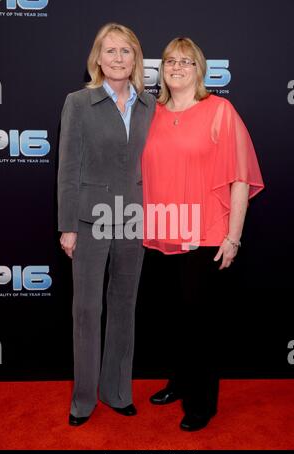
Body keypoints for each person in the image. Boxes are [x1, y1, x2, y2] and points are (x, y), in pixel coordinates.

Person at [141, 37, 264, 431]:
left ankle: (202, 401)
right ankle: (179, 381)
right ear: (162, 70)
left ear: (200, 69)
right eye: (170, 61)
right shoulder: (150, 112)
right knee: (173, 317)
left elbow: (240, 179)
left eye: (186, 61)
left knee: (200, 323)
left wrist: (233, 236)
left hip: (207, 233)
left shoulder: (219, 111)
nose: (177, 67)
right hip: (161, 230)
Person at [58, 23, 155, 426]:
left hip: (134, 218)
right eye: (110, 51)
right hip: (90, 218)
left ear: (136, 59)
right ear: (97, 58)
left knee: (124, 307)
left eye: (126, 51)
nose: (118, 58)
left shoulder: (152, 105)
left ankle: (116, 391)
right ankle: (84, 400)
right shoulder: (79, 103)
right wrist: (68, 226)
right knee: (86, 310)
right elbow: (68, 168)